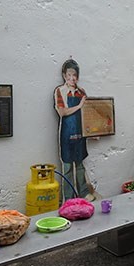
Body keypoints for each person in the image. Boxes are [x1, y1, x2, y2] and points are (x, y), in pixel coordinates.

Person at [54, 59, 94, 201]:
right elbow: (62, 112)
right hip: (66, 133)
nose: (72, 78)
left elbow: (88, 113)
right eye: (69, 75)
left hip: (80, 132)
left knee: (80, 163)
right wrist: (79, 105)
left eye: (74, 75)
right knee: (67, 166)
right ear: (64, 76)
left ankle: (84, 192)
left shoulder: (81, 92)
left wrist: (93, 131)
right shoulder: (60, 91)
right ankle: (69, 197)